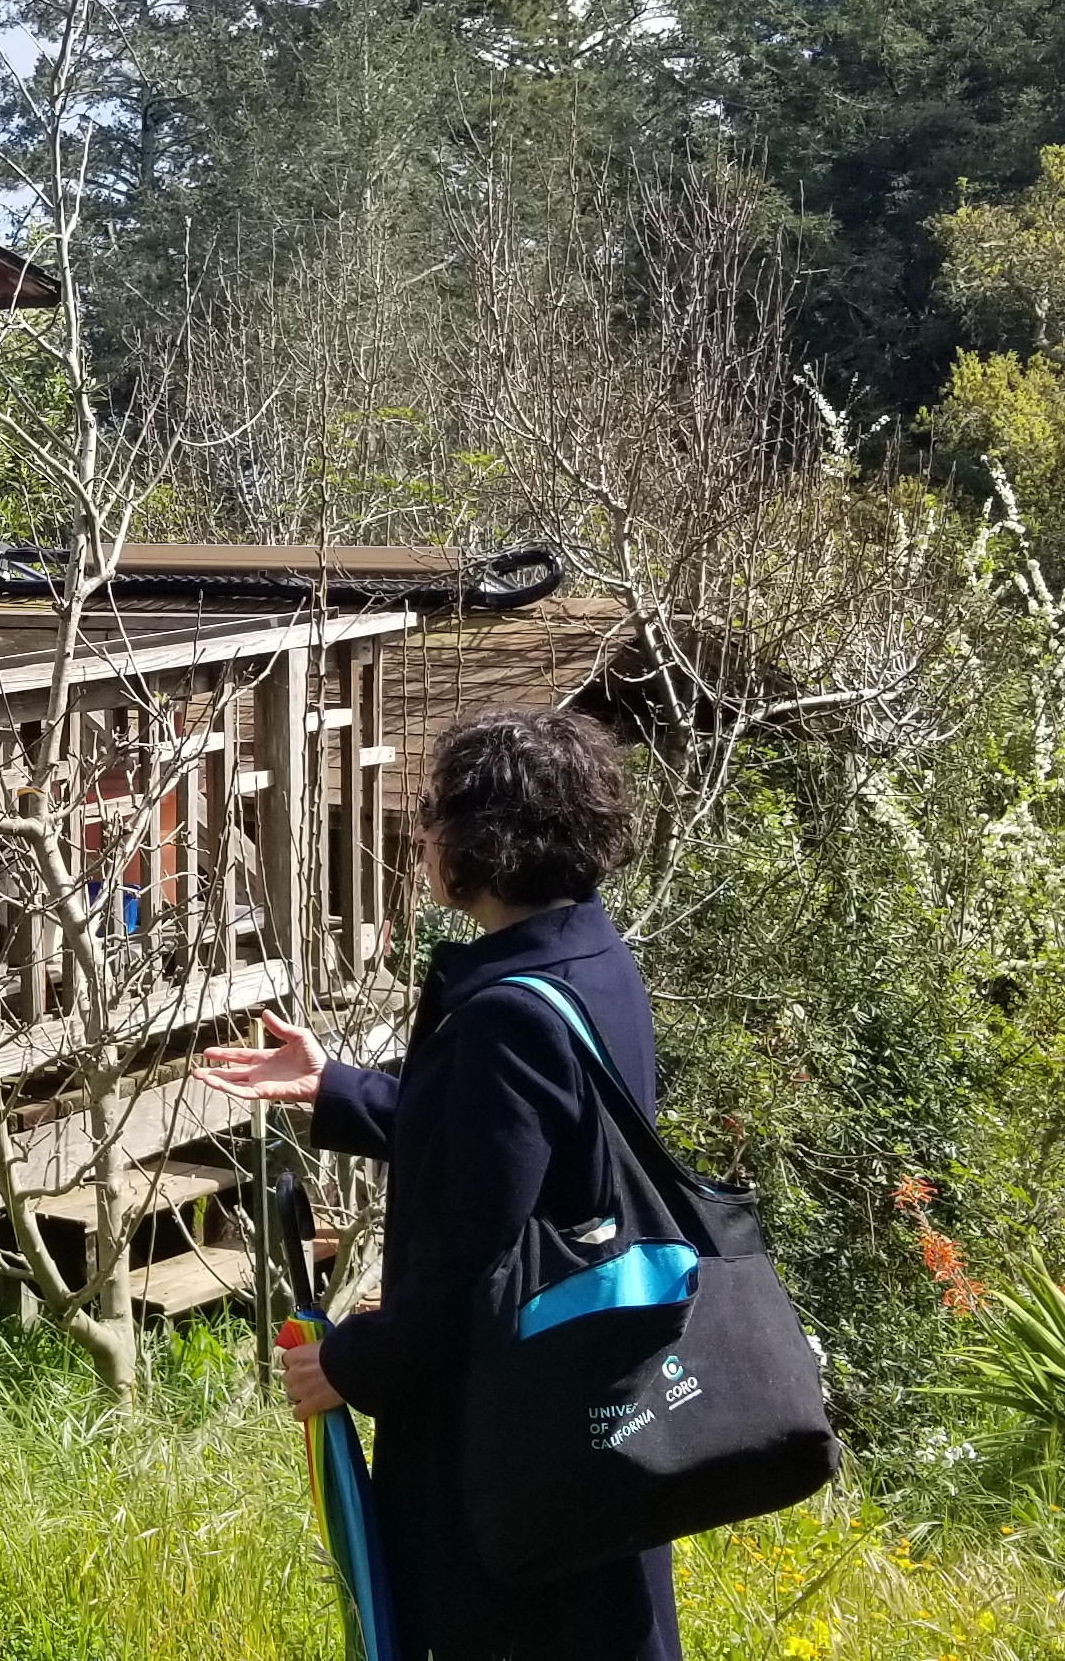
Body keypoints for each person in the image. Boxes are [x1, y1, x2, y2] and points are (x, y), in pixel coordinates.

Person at [204, 706, 677, 1661]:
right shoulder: (590, 961)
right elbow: (516, 1145)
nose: (419, 835)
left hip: (505, 1441)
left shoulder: (507, 1013)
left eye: (432, 815)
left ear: (486, 843)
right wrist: (335, 1087)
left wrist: (349, 1364)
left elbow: (472, 1261)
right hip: (591, 1401)